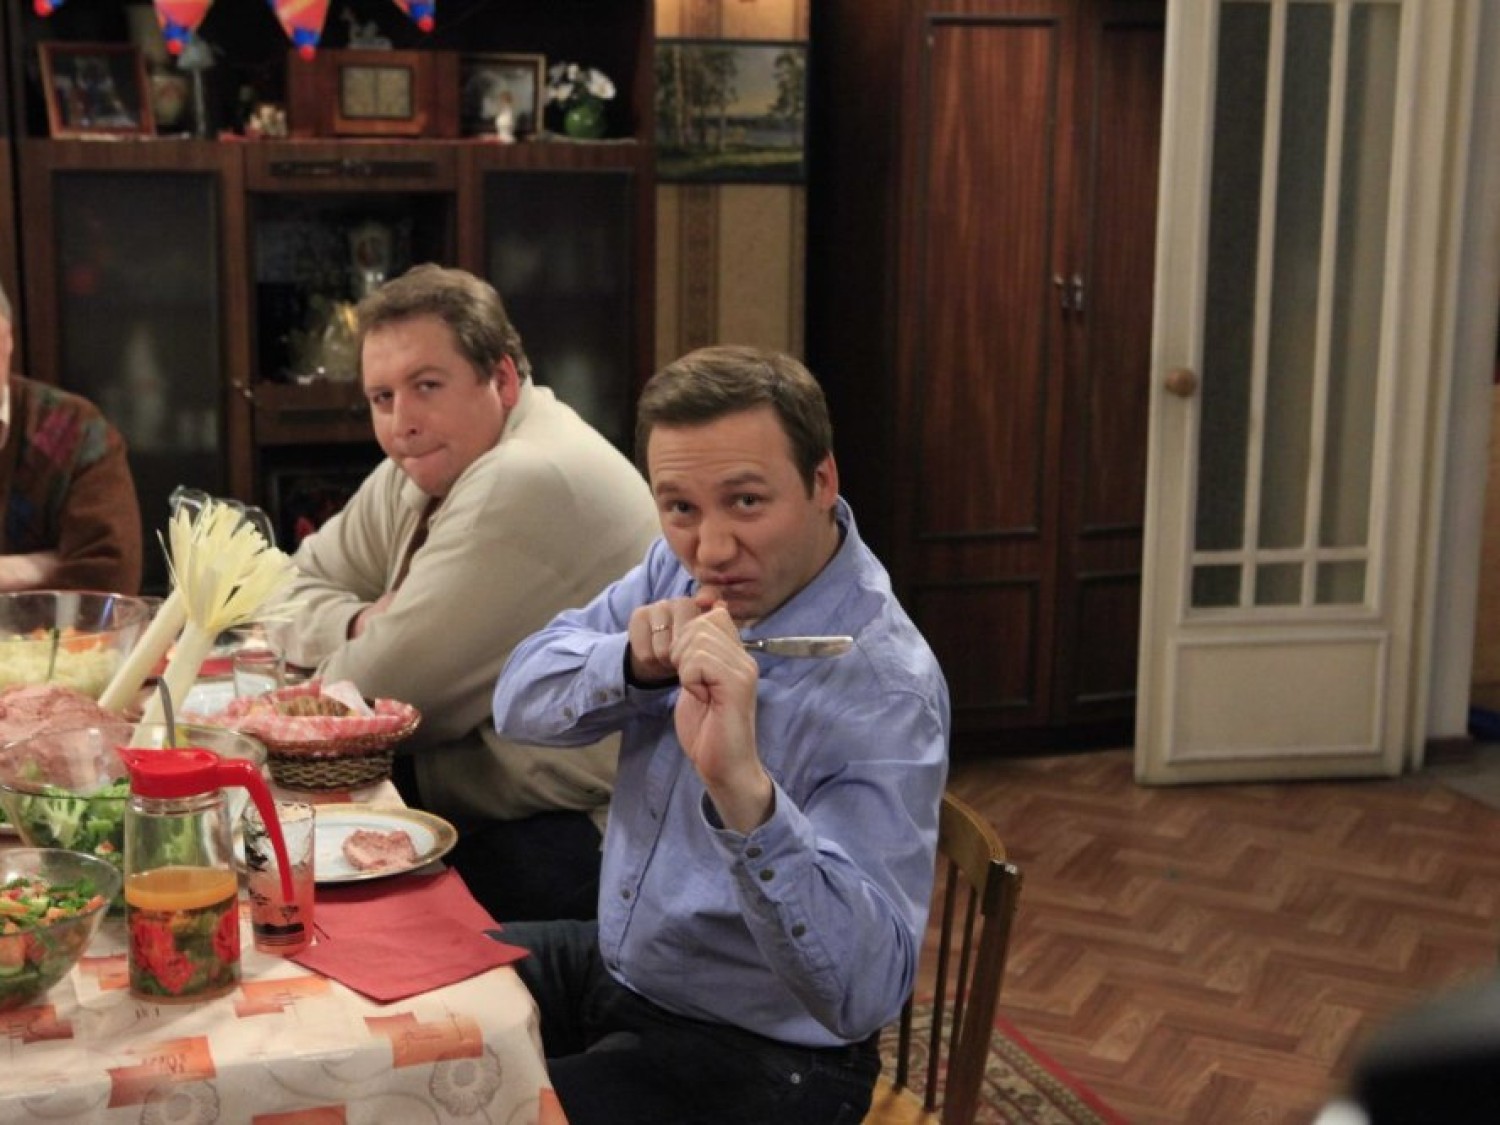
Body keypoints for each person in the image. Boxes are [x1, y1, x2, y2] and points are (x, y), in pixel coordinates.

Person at [491, 345, 951, 1123]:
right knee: (410, 987)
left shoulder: (887, 688)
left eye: (745, 501)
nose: (710, 548)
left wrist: (745, 793)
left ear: (822, 481)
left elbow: (863, 992)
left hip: (770, 1051)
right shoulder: (675, 572)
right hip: (628, 968)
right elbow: (516, 698)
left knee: (481, 1111)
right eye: (680, 508)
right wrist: (631, 664)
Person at [276, 264, 658, 921]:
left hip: (600, 842)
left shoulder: (524, 476)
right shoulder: (428, 462)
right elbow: (283, 591)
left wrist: (352, 653)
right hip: (512, 810)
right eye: (382, 398)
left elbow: (360, 705)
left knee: (329, 907)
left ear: (502, 379)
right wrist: (361, 622)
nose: (402, 422)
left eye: (427, 386)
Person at [0, 280, 142, 594]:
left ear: (9, 339)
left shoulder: (72, 428)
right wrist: (40, 566)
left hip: (56, 628)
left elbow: (110, 577)